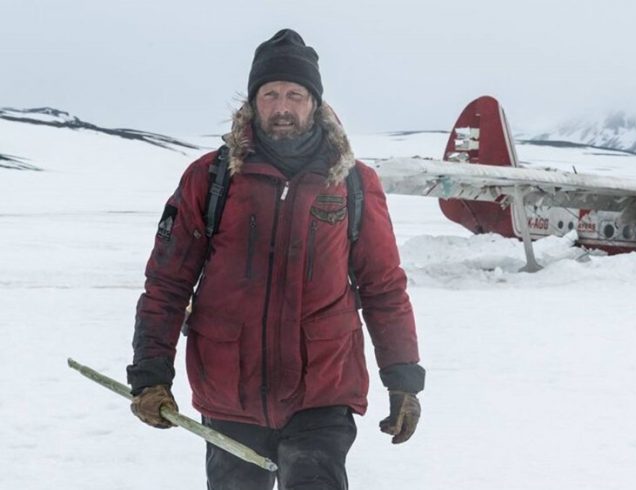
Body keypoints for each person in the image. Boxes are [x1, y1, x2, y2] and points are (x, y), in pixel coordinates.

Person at [126, 28, 424, 490]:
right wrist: (150, 374)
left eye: (294, 94)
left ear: (315, 103)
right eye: (270, 94)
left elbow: (383, 286)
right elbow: (166, 284)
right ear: (252, 102)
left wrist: (403, 378)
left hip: (323, 389)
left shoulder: (354, 183)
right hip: (230, 394)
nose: (282, 107)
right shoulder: (210, 178)